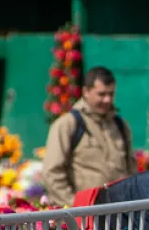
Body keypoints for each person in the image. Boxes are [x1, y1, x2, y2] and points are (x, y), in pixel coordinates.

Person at [43, 67, 134, 207]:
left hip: (120, 213)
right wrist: (75, 206)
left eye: (111, 94)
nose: (107, 100)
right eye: (101, 94)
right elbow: (52, 173)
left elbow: (131, 169)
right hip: (84, 216)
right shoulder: (68, 124)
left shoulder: (120, 125)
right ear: (86, 92)